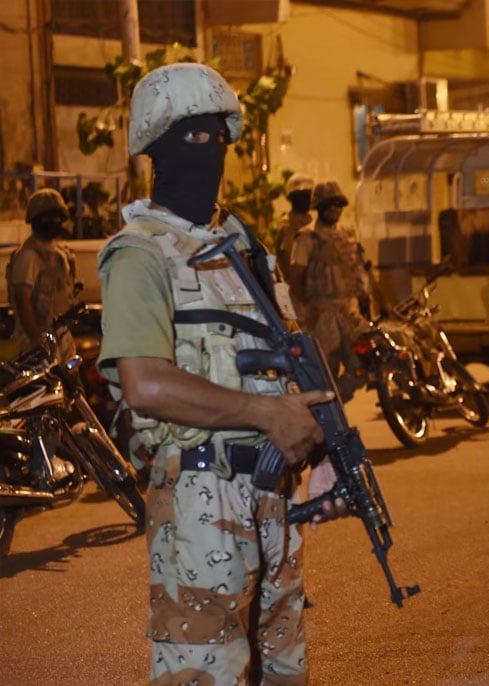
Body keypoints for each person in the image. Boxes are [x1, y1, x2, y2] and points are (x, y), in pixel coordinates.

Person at [96, 62, 345, 684]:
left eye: (219, 137)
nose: (210, 152)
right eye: (192, 138)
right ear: (153, 147)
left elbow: (289, 352)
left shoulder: (242, 244)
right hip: (198, 500)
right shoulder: (139, 253)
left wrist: (325, 442)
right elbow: (144, 383)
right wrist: (266, 414)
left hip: (273, 494)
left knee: (284, 667)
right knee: (205, 671)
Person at [287, 180, 371, 399]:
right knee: (327, 371)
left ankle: (333, 403)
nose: (334, 209)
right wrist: (306, 309)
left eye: (337, 204)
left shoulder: (348, 234)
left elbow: (362, 269)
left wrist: (368, 299)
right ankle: (329, 417)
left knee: (363, 367)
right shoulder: (306, 238)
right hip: (322, 316)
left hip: (348, 313)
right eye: (328, 204)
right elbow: (295, 277)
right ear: (318, 207)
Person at [7, 188, 76, 353]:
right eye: (47, 217)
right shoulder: (29, 255)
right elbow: (22, 299)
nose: (54, 222)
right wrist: (37, 339)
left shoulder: (61, 253)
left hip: (61, 336)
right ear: (35, 220)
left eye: (58, 217)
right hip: (36, 341)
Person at [275, 173, 315, 287]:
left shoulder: (308, 220)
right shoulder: (288, 225)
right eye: (302, 197)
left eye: (308, 196)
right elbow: (289, 262)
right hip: (297, 287)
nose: (306, 200)